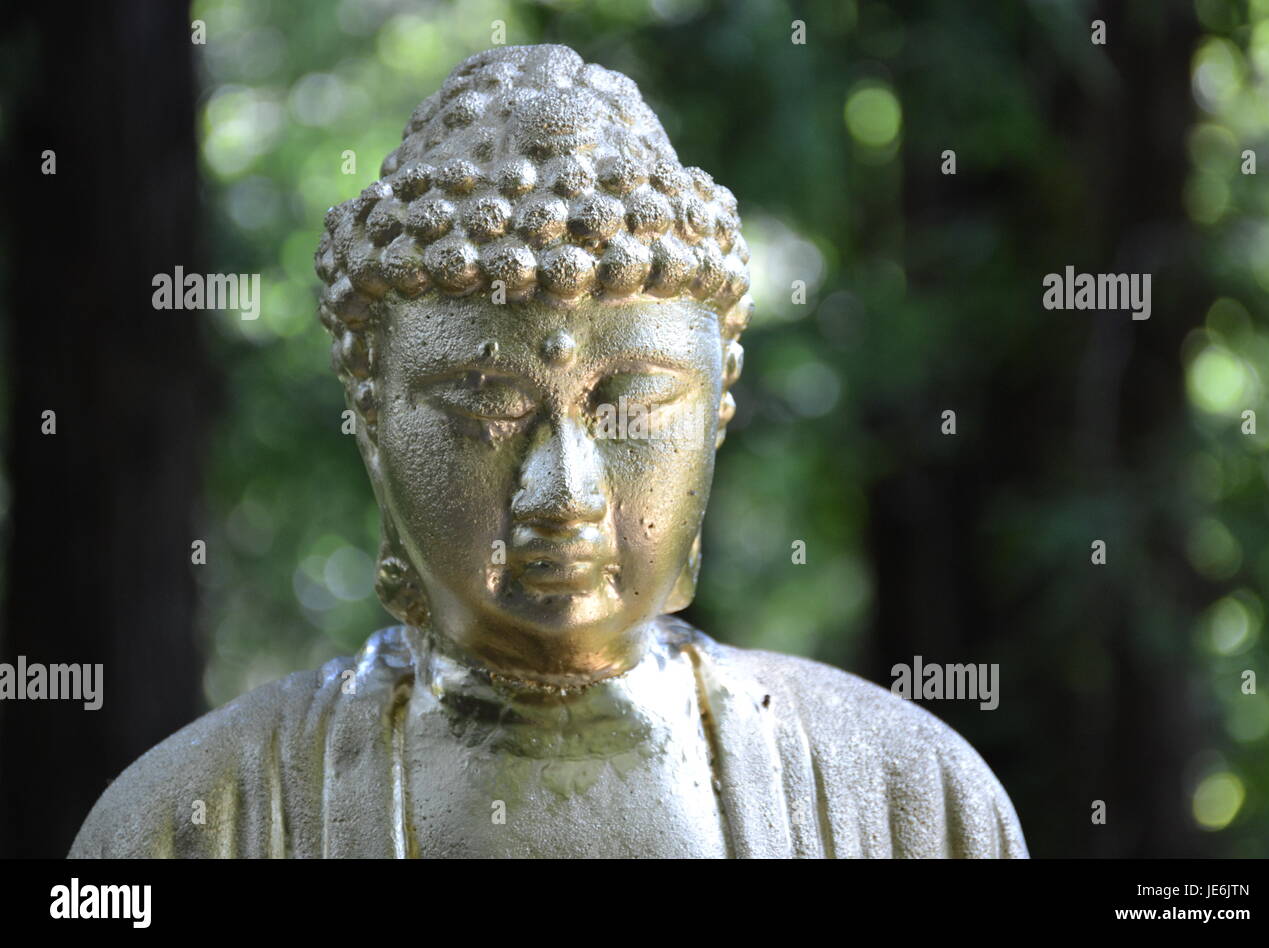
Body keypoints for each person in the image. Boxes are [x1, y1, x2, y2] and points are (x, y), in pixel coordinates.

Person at [70, 44, 1027, 858]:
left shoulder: (911, 800)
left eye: (636, 404)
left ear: (717, 408)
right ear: (372, 416)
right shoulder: (195, 819)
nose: (562, 490)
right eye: (484, 405)